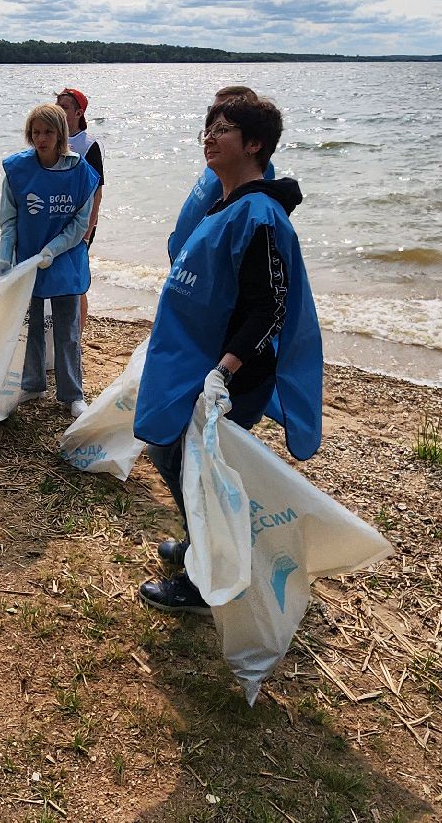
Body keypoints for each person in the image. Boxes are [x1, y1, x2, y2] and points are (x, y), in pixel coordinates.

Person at [134, 90, 322, 615]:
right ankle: (202, 550)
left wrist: (221, 375)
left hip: (229, 377)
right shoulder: (229, 205)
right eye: (207, 128)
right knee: (174, 456)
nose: (209, 138)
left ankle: (204, 583)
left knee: (191, 466)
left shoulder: (260, 216)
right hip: (199, 364)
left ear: (255, 144)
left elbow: (270, 310)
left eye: (223, 129)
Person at [0, 103, 100, 416]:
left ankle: (72, 394)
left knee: (67, 329)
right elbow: (10, 219)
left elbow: (80, 224)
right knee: (33, 325)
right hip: (28, 259)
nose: (41, 138)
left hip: (65, 260)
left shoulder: (80, 172)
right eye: (36, 132)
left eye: (48, 132)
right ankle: (32, 384)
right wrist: (5, 256)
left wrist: (53, 250)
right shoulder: (19, 170)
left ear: (61, 135)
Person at [166, 85, 275, 263]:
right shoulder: (217, 162)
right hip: (182, 257)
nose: (214, 117)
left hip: (202, 264)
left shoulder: (253, 170)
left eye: (224, 125)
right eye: (212, 111)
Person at [56, 88, 103, 335]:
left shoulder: (89, 145)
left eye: (64, 107)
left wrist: (87, 232)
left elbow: (97, 192)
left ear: (78, 113)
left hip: (81, 225)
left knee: (76, 280)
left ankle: (78, 335)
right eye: (57, 105)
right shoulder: (51, 139)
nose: (59, 110)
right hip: (54, 221)